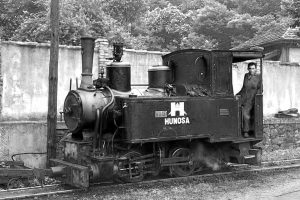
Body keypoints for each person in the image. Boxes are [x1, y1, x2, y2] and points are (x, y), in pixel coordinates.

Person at [236, 62, 261, 138]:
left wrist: (256, 99)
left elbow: (260, 89)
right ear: (248, 69)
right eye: (250, 68)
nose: (251, 70)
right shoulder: (246, 76)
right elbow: (243, 87)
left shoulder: (258, 77)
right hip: (244, 97)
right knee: (233, 108)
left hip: (252, 99)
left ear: (255, 69)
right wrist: (237, 95)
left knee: (245, 114)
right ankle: (237, 130)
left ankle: (246, 131)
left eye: (253, 68)